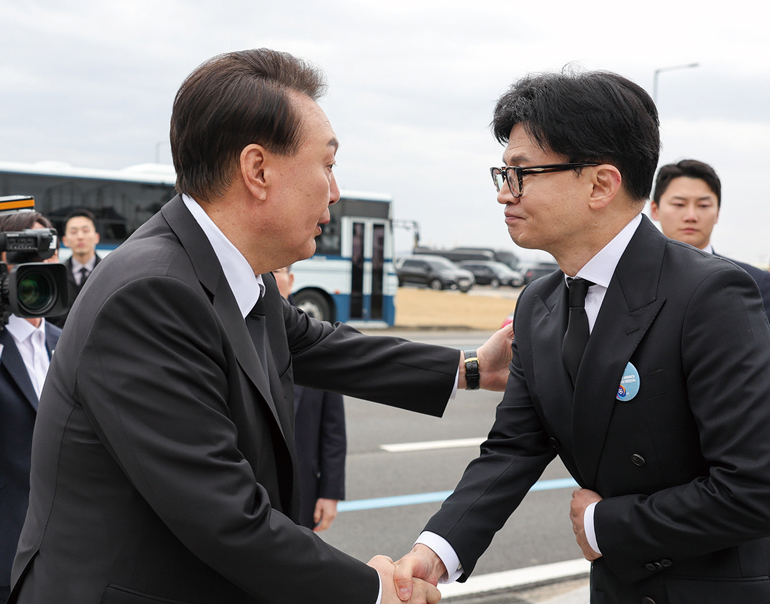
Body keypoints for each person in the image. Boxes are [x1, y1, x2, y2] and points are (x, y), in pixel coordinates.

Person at [8, 49, 513, 604]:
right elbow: (223, 513)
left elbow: (316, 345)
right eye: (327, 164)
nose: (336, 192)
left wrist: (470, 368)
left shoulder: (231, 271)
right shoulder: (150, 294)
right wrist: (373, 592)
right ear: (257, 170)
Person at [394, 70, 770, 604]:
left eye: (522, 173)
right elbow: (513, 448)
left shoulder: (711, 293)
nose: (503, 194)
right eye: (502, 173)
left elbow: (759, 493)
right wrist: (435, 553)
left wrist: (604, 525)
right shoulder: (538, 303)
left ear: (601, 184)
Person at [650, 159, 770, 402]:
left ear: (717, 212)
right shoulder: (629, 279)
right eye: (678, 204)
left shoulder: (753, 281)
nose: (691, 215)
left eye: (703, 205)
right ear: (654, 209)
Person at [0, 211, 62, 603]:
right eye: (25, 254)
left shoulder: (70, 339)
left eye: (47, 252)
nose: (39, 266)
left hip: (63, 555)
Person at [274, 265, 346, 532]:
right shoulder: (232, 330)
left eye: (278, 272)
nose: (271, 279)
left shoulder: (316, 340)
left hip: (302, 490)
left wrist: (330, 492)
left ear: (291, 280)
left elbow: (333, 430)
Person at [49, 209, 102, 329]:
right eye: (73, 232)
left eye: (85, 230)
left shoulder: (109, 273)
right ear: (65, 240)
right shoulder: (55, 275)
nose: (80, 236)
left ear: (96, 237)